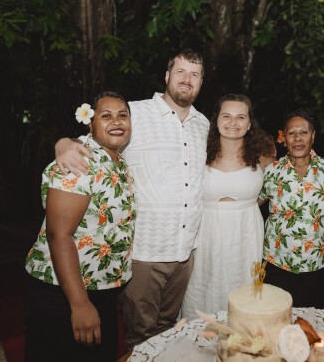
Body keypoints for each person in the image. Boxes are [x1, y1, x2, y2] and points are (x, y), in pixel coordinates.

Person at [54, 49, 209, 350]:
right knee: (140, 335)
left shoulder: (203, 125)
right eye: (180, 72)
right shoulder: (134, 114)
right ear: (167, 76)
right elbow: (88, 142)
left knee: (168, 328)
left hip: (185, 252)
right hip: (144, 253)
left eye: (194, 74)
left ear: (201, 83)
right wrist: (63, 142)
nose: (186, 79)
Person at [24, 92, 134, 361]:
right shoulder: (78, 162)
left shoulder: (119, 164)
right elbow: (58, 235)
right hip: (63, 292)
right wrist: (80, 303)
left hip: (100, 290)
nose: (116, 121)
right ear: (90, 124)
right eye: (106, 116)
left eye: (122, 115)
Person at [180, 94, 276, 318]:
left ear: (249, 124)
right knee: (202, 285)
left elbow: (271, 191)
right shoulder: (198, 153)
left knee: (243, 285)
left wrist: (244, 204)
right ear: (216, 120)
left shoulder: (263, 156)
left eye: (241, 117)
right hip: (206, 232)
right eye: (227, 116)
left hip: (246, 232)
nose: (233, 122)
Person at [258, 110, 324, 309]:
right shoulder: (271, 171)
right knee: (275, 319)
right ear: (284, 138)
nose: (297, 138)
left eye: (303, 132)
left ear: (313, 136)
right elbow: (251, 204)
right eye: (291, 133)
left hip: (319, 264)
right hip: (277, 262)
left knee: (316, 322)